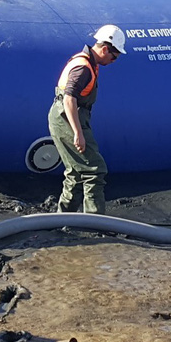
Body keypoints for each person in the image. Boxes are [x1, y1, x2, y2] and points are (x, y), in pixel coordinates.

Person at [48, 24, 125, 215]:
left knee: (75, 171)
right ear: (105, 48)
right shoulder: (83, 68)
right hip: (67, 118)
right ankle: (94, 223)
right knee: (95, 170)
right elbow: (69, 98)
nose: (114, 61)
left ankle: (64, 219)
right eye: (114, 56)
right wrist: (78, 133)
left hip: (67, 116)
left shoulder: (87, 63)